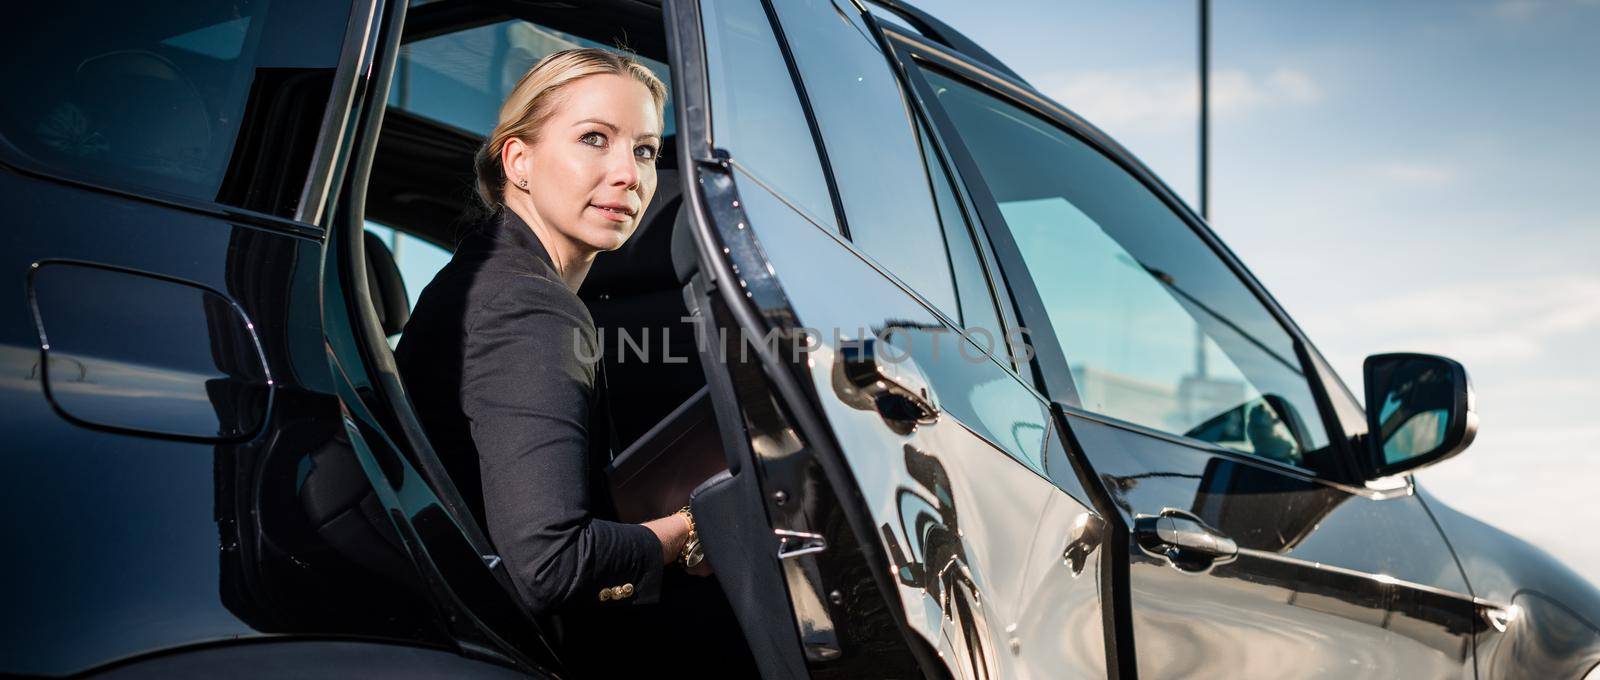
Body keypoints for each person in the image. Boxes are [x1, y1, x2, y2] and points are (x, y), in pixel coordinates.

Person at [393, 48, 705, 635]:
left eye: (644, 150)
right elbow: (553, 564)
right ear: (518, 160)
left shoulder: (488, 277)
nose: (629, 174)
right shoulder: (528, 305)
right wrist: (693, 527)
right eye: (594, 138)